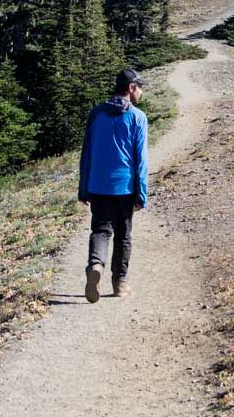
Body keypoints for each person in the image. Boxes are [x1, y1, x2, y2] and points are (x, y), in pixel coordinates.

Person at [77, 68, 150, 303]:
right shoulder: (138, 117)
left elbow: (86, 152)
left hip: (98, 185)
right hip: (125, 187)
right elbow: (141, 160)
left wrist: (83, 187)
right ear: (131, 88)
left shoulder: (96, 114)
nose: (141, 91)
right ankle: (120, 284)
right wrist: (141, 193)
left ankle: (95, 265)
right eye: (139, 87)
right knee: (123, 236)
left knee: (100, 230)